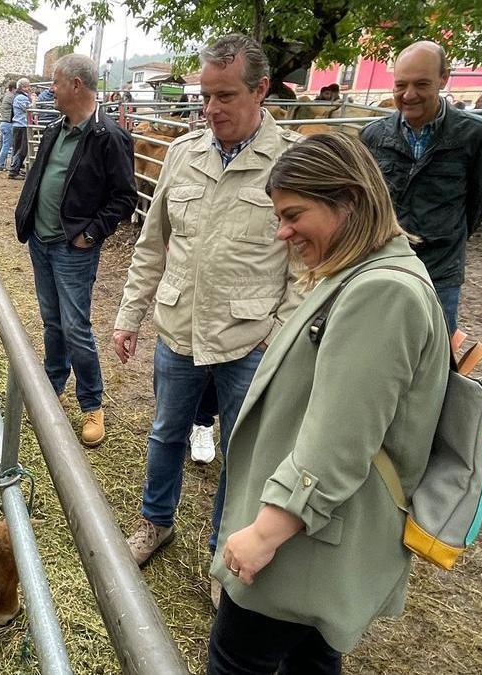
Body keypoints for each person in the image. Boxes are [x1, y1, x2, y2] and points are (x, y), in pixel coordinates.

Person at [208, 131, 449, 675]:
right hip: (319, 532)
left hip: (307, 539)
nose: (282, 232)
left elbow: (341, 439)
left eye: (295, 214)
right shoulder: (360, 271)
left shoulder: (380, 291)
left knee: (240, 660)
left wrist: (266, 532)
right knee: (309, 662)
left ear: (351, 200)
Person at [113, 34, 304, 592]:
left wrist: (279, 336)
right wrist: (129, 316)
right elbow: (152, 243)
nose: (211, 108)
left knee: (243, 454)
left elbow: (303, 264)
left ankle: (227, 551)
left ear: (261, 90)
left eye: (225, 96)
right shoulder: (183, 153)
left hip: (250, 340)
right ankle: (155, 523)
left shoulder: (289, 161)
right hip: (178, 329)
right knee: (167, 432)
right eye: (206, 95)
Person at [14, 54, 137, 447]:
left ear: (77, 85)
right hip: (42, 242)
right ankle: (53, 386)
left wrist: (91, 234)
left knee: (75, 328)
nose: (51, 88)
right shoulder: (55, 130)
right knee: (52, 321)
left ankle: (91, 404)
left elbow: (124, 198)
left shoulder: (108, 137)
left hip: (72, 249)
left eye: (55, 82)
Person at [360, 41, 482, 334]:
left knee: (433, 354)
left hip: (440, 270)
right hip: (385, 264)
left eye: (421, 84)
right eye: (401, 85)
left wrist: (445, 235)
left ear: (443, 78)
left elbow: (479, 202)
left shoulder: (475, 134)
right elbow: (365, 201)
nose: (409, 95)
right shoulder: (372, 136)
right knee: (380, 345)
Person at [7, 79, 32, 179]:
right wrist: (33, 100)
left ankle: (16, 169)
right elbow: (29, 108)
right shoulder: (21, 97)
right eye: (27, 86)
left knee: (18, 148)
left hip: (19, 125)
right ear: (23, 87)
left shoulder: (20, 96)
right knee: (21, 149)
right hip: (21, 125)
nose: (29, 88)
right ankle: (13, 171)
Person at [0, 81, 17, 173]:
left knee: (3, 145)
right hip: (8, 123)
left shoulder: (6, 95)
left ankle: (1, 164)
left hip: (3, 123)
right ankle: (1, 165)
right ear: (13, 88)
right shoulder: (11, 97)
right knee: (7, 145)